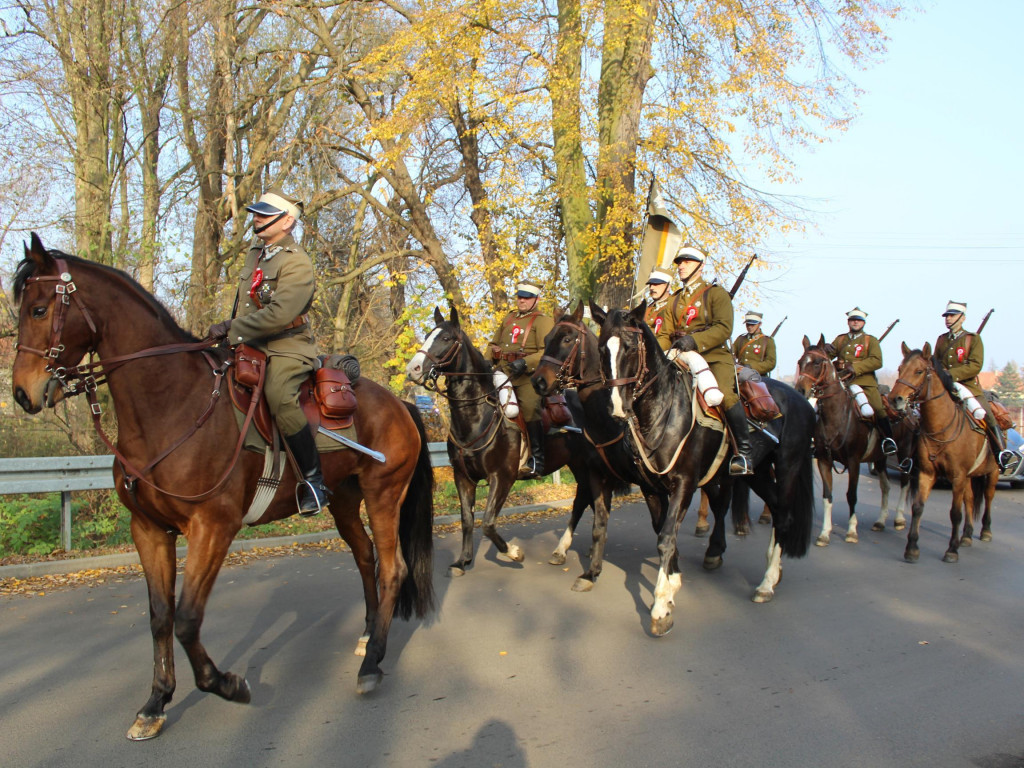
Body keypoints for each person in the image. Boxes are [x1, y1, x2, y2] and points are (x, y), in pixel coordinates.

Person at [208, 187, 328, 515]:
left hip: (287, 346)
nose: (256, 219)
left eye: (264, 215)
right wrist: (229, 335)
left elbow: (280, 315)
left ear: (287, 221)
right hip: (249, 342)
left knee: (278, 394)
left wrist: (232, 328)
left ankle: (314, 481)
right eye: (256, 214)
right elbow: (245, 301)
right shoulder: (256, 253)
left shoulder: (297, 262)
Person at [656, 245, 752, 475]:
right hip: (680, 355)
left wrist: (695, 341)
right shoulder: (674, 300)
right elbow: (664, 334)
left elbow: (724, 328)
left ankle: (744, 453)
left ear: (700, 266)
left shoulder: (716, 294)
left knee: (725, 396)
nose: (681, 266)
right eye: (679, 262)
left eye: (686, 262)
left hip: (713, 356)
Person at [934, 301, 1018, 471]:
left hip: (967, 387)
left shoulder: (973, 339)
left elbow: (975, 365)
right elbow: (935, 362)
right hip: (944, 387)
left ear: (962, 318)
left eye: (952, 316)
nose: (948, 319)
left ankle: (1001, 454)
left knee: (988, 416)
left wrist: (951, 374)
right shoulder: (942, 340)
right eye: (947, 316)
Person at [488, 279, 555, 476]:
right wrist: (487, 360)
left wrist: (525, 363)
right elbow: (493, 343)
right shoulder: (509, 318)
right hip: (502, 371)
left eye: (527, 297)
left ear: (536, 299)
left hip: (527, 375)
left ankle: (537, 460)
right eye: (520, 297)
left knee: (529, 408)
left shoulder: (543, 321)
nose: (522, 300)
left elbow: (546, 351)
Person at [829, 307, 898, 457]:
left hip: (864, 382)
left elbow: (877, 361)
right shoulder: (840, 339)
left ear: (863, 323)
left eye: (858, 320)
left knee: (878, 408)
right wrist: (825, 349)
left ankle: (888, 440)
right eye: (853, 319)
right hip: (842, 382)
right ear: (848, 322)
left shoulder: (870, 340)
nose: (855, 322)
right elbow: (829, 355)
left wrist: (855, 367)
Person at [732, 311, 776, 377]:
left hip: (758, 376)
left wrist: (751, 366)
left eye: (753, 325)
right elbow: (731, 354)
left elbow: (771, 363)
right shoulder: (740, 339)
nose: (750, 327)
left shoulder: (767, 341)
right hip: (740, 374)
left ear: (760, 324)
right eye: (747, 324)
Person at [643, 269, 673, 334]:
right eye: (650, 285)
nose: (651, 288)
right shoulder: (648, 308)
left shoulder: (673, 305)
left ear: (668, 287)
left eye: (656, 284)